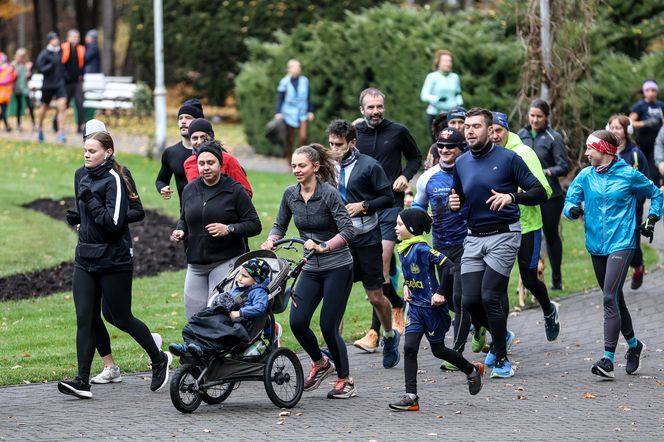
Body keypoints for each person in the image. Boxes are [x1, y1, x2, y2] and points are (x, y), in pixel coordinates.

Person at [57, 130, 172, 399]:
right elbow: (93, 217)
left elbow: (113, 223)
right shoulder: (83, 176)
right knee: (85, 317)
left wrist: (90, 202)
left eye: (92, 150)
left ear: (107, 152)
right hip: (85, 258)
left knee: (119, 317)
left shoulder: (114, 179)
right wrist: (78, 217)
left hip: (113, 259)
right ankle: (82, 381)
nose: (86, 154)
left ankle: (158, 359)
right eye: (85, 150)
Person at [449, 107, 548, 378]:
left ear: (490, 130)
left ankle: (502, 359)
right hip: (473, 236)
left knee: (490, 296)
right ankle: (501, 333)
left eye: (475, 126)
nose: (469, 130)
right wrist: (452, 202)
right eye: (467, 126)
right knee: (469, 301)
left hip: (504, 234)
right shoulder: (462, 162)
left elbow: (540, 192)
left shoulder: (508, 159)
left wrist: (512, 197)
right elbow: (458, 197)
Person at [261, 144, 357, 399]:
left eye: (301, 165)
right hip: (311, 267)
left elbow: (348, 230)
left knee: (328, 325)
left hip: (337, 266)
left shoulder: (329, 194)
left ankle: (346, 379)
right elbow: (280, 224)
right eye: (293, 166)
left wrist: (325, 246)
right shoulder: (290, 195)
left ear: (315, 167)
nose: (296, 170)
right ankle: (320, 362)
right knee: (298, 321)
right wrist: (271, 239)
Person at [564, 130, 662, 379]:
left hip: (622, 242)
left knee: (608, 297)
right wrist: (573, 210)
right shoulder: (585, 176)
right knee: (615, 298)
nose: (586, 154)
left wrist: (652, 218)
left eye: (590, 149)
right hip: (596, 244)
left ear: (604, 150)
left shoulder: (628, 174)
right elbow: (569, 201)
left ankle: (607, 360)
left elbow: (656, 194)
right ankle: (634, 345)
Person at [388, 209, 483, 412]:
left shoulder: (422, 249)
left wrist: (441, 292)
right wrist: (406, 285)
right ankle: (411, 397)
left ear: (412, 229)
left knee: (438, 350)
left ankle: (471, 370)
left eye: (400, 224)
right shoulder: (404, 249)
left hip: (432, 310)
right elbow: (410, 272)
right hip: (415, 309)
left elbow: (449, 266)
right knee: (409, 348)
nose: (396, 227)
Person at [326, 119, 400, 368]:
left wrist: (364, 206)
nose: (334, 149)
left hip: (367, 239)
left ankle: (389, 335)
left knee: (375, 296)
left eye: (339, 145)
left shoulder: (369, 166)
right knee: (336, 298)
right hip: (339, 241)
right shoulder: (326, 168)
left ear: (352, 143)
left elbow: (388, 198)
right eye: (331, 144)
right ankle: (335, 352)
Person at [413, 127, 486, 371]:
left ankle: (456, 352)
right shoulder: (428, 178)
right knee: (451, 303)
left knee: (459, 298)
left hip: (467, 243)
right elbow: (418, 209)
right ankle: (480, 322)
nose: (444, 151)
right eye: (440, 146)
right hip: (440, 247)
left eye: (450, 147)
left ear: (460, 149)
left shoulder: (470, 172)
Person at [355, 87, 422, 346]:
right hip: (361, 208)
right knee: (371, 270)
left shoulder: (398, 131)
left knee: (381, 263)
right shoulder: (355, 135)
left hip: (390, 205)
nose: (375, 111)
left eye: (379, 106)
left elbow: (415, 157)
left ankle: (375, 332)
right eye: (370, 107)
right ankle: (396, 303)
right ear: (362, 110)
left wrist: (406, 175)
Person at [171, 140, 262, 319]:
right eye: (201, 163)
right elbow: (184, 218)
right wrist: (180, 230)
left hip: (225, 260)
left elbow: (254, 225)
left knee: (216, 313)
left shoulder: (234, 190)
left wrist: (228, 229)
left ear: (220, 164)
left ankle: (222, 346)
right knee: (194, 316)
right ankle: (196, 347)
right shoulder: (189, 190)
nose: (206, 167)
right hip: (195, 264)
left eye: (210, 163)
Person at [490, 112, 560, 341]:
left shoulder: (523, 154)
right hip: (499, 229)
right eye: (489, 130)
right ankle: (501, 336)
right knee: (498, 283)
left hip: (527, 227)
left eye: (498, 130)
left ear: (507, 130)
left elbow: (545, 191)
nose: (493, 135)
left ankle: (549, 309)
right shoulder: (485, 154)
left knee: (529, 280)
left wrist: (513, 196)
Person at [517, 99, 569, 290]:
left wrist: (547, 172)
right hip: (527, 194)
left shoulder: (554, 137)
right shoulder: (520, 135)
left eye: (539, 116)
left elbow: (563, 166)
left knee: (551, 235)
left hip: (550, 195)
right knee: (529, 234)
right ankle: (531, 280)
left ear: (546, 117)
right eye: (532, 115)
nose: (535, 120)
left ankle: (557, 280)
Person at [169, 258, 270, 356]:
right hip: (225, 316)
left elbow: (260, 307)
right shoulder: (240, 287)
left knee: (218, 331)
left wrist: (240, 312)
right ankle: (188, 346)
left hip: (238, 323)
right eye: (240, 274)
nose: (239, 278)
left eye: (244, 276)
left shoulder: (258, 292)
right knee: (200, 321)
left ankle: (202, 348)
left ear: (256, 280)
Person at [608, 114, 650, 289]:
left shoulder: (635, 154)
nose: (615, 131)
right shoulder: (605, 153)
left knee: (631, 242)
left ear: (627, 131)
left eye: (618, 128)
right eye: (612, 127)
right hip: (611, 208)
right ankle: (614, 280)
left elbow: (645, 180)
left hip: (632, 208)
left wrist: (637, 200)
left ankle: (638, 266)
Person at [182, 117, 253, 197]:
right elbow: (191, 194)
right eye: (195, 138)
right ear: (190, 140)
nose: (199, 141)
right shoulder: (188, 163)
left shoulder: (228, 159)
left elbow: (247, 193)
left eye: (203, 137)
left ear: (212, 136)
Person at [155, 98, 204, 206]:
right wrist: (162, 188)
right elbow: (161, 180)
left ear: (199, 122)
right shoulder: (171, 153)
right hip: (186, 216)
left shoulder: (215, 153)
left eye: (188, 118)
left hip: (215, 217)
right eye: (180, 118)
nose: (183, 121)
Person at [275, 59, 314, 161]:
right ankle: (290, 159)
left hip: (302, 112)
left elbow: (309, 96)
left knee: (303, 136)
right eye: (295, 66)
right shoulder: (284, 82)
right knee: (290, 138)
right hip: (289, 113)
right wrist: (278, 112)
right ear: (289, 69)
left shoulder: (305, 80)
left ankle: (301, 158)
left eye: (299, 66)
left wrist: (310, 111)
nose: (298, 68)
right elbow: (280, 98)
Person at [420, 49, 463, 137]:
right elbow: (424, 95)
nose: (448, 63)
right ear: (438, 63)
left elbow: (457, 93)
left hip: (451, 115)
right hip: (435, 115)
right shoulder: (432, 77)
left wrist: (460, 104)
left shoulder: (455, 77)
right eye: (445, 61)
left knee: (454, 140)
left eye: (450, 61)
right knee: (438, 141)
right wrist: (437, 99)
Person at [629, 80, 664, 184]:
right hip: (643, 141)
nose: (651, 93)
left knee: (654, 170)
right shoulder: (640, 106)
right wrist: (645, 123)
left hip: (657, 141)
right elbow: (630, 122)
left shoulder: (661, 105)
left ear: (656, 92)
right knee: (641, 166)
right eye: (648, 90)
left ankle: (655, 193)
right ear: (644, 92)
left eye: (653, 90)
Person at [35, 32, 67, 143]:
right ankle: (39, 128)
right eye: (54, 39)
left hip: (59, 84)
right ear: (50, 41)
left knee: (62, 106)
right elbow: (40, 68)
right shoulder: (44, 54)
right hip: (48, 84)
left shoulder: (61, 52)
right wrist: (50, 65)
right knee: (44, 107)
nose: (56, 40)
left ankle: (61, 132)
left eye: (57, 38)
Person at [59, 29, 86, 133]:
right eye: (74, 37)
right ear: (68, 38)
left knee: (79, 103)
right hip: (66, 83)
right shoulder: (63, 48)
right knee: (64, 105)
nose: (76, 39)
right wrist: (64, 76)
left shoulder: (81, 49)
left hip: (77, 82)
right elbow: (60, 65)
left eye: (77, 37)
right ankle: (56, 123)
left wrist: (81, 75)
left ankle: (79, 126)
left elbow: (83, 65)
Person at [11, 48, 35, 131]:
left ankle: (33, 123)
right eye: (19, 56)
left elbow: (30, 77)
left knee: (30, 106)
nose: (20, 58)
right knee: (19, 106)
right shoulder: (13, 65)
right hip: (17, 88)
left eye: (22, 56)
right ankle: (18, 124)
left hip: (25, 88)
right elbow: (11, 77)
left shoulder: (27, 65)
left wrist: (29, 70)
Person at [0, 52, 16, 132]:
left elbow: (9, 79)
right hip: (2, 94)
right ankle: (7, 127)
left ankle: (7, 127)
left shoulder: (8, 69)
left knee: (4, 112)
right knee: (3, 112)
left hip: (4, 95)